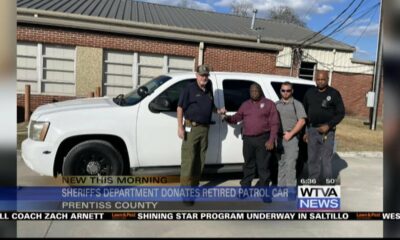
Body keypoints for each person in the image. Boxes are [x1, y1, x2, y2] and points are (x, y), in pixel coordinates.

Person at [222, 83, 280, 187]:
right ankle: (245, 187)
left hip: (263, 139)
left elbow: (275, 123)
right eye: (252, 91)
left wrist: (271, 140)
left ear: (260, 91)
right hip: (248, 140)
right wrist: (227, 118)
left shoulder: (269, 104)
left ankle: (264, 190)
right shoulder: (245, 104)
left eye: (256, 91)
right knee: (248, 165)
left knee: (263, 166)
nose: (254, 93)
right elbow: (236, 117)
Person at [177, 64, 223, 187]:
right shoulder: (189, 89)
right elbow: (180, 107)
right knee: (189, 160)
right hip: (191, 128)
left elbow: (211, 106)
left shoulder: (208, 89)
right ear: (196, 75)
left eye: (206, 75)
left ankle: (194, 187)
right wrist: (180, 127)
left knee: (200, 160)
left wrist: (218, 111)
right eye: (202, 75)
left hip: (205, 129)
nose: (204, 78)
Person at [303, 72, 345, 185]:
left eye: (323, 79)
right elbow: (305, 113)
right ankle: (313, 180)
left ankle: (327, 182)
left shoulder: (334, 93)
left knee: (326, 158)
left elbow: (341, 113)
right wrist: (306, 131)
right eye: (318, 79)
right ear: (315, 79)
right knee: (312, 158)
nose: (320, 81)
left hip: (328, 131)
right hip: (312, 130)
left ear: (327, 79)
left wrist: (329, 125)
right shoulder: (309, 93)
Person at [275, 81, 307, 187]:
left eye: (288, 90)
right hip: (279, 139)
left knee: (290, 166)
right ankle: (280, 190)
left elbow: (302, 121)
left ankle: (290, 193)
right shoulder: (276, 104)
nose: (285, 93)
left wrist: (291, 134)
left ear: (292, 91)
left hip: (292, 139)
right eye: (283, 90)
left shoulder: (296, 104)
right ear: (280, 91)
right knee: (281, 165)